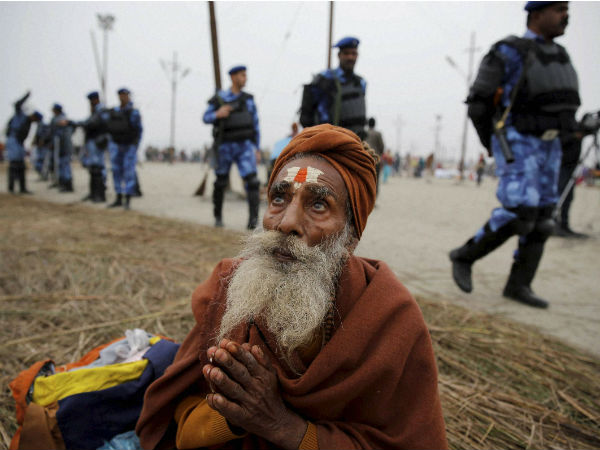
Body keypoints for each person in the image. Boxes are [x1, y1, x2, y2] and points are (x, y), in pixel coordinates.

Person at [136, 124, 447, 450]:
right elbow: (182, 427)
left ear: (351, 237)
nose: (286, 223)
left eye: (318, 205)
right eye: (279, 198)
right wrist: (234, 414)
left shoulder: (390, 318)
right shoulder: (230, 288)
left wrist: (282, 426)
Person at [449, 1, 580, 308]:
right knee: (520, 212)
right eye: (558, 9)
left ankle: (519, 285)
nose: (565, 15)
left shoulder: (561, 56)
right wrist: (493, 143)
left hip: (551, 147)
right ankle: (464, 256)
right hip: (519, 143)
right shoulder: (507, 51)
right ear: (536, 14)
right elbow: (479, 104)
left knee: (545, 216)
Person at [203, 65, 261, 229]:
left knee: (253, 182)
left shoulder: (248, 99)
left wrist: (256, 148)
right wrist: (217, 113)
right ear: (233, 77)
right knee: (220, 182)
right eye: (243, 75)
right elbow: (205, 117)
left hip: (245, 146)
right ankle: (218, 217)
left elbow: (256, 124)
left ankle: (252, 222)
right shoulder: (219, 99)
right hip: (225, 146)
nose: (245, 78)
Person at [303, 37, 367, 139]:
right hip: (330, 142)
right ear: (339, 55)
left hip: (356, 142)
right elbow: (307, 115)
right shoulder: (324, 79)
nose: (350, 57)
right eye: (346, 53)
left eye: (353, 53)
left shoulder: (361, 83)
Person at [106, 87, 143, 210]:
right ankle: (118, 197)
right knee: (116, 170)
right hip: (117, 145)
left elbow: (139, 130)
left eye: (125, 95)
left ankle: (127, 199)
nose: (122, 97)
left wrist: (135, 144)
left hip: (129, 146)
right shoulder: (115, 111)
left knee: (128, 172)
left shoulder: (133, 112)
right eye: (121, 95)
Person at [5, 91, 42, 194]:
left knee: (21, 165)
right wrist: (26, 96)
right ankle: (11, 187)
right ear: (34, 116)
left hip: (20, 143)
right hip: (13, 141)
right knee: (14, 164)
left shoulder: (29, 123)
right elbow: (17, 104)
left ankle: (22, 188)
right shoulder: (21, 116)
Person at [79, 91, 110, 203]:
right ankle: (93, 194)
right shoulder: (97, 111)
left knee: (97, 168)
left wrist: (79, 124)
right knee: (93, 168)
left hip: (97, 143)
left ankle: (99, 195)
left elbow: (91, 124)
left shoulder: (100, 111)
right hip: (93, 142)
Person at [49, 103, 74, 192]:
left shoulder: (61, 120)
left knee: (65, 166)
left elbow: (64, 136)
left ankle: (67, 185)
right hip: (61, 147)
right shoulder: (59, 119)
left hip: (63, 147)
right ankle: (63, 184)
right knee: (61, 166)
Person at [365, 117, 385, 195]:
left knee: (366, 179)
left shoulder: (364, 132)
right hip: (375, 159)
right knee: (375, 180)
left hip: (365, 158)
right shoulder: (378, 134)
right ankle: (373, 198)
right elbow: (382, 146)